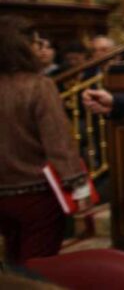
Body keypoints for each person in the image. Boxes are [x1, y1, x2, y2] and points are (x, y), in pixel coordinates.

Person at [0, 16, 89, 264]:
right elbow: (58, 142)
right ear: (21, 47)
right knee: (38, 267)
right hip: (37, 195)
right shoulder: (38, 86)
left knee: (12, 263)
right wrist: (77, 185)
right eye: (35, 43)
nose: (40, 48)